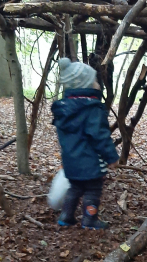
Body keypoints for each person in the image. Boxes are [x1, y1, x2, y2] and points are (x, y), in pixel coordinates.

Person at [51, 58, 119, 229]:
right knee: (93, 190)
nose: (98, 83)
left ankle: (66, 216)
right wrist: (111, 157)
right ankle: (89, 219)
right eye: (95, 80)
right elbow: (100, 136)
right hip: (91, 162)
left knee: (74, 188)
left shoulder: (64, 109)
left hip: (71, 162)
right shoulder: (92, 109)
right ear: (85, 84)